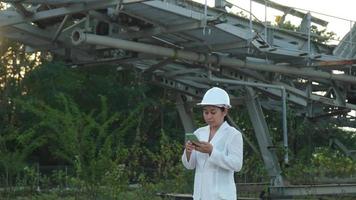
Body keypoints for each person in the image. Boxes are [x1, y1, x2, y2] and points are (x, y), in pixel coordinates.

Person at [181, 87, 243, 200]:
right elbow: (190, 165)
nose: (209, 116)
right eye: (206, 112)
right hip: (200, 195)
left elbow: (237, 164)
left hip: (221, 196)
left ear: (224, 111)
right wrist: (188, 151)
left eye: (213, 112)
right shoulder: (199, 133)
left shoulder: (233, 134)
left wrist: (211, 151)